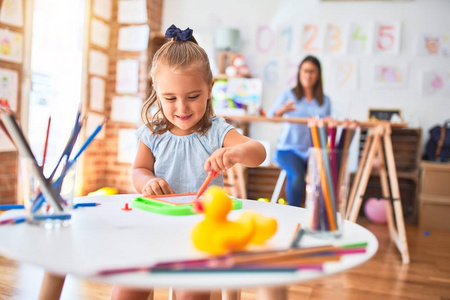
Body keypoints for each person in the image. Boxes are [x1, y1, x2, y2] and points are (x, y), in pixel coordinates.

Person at [111, 24, 266, 300]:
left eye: (192, 97)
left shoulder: (216, 131)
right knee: (126, 289)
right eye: (170, 98)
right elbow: (139, 170)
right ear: (156, 91)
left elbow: (258, 152)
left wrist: (237, 153)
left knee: (191, 294)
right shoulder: (152, 132)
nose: (181, 108)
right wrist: (148, 181)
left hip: (202, 230)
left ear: (209, 89)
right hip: (155, 226)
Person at [267, 55, 331, 207]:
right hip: (288, 150)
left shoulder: (324, 100)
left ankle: (317, 216)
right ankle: (294, 214)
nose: (308, 75)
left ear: (318, 75)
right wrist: (281, 110)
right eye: (305, 71)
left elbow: (326, 130)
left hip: (312, 152)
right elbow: (271, 115)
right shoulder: (289, 95)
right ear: (299, 73)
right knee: (296, 177)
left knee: (325, 178)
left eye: (312, 71)